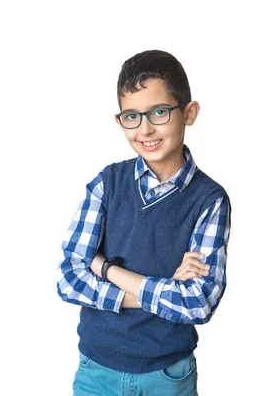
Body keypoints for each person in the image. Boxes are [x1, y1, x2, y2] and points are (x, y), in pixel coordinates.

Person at [55, 49, 232, 395]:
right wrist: (165, 286)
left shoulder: (210, 201)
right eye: (132, 116)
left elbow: (198, 302)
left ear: (189, 112)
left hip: (167, 376)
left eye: (160, 112)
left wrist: (107, 270)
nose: (145, 129)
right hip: (96, 371)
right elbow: (67, 279)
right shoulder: (107, 184)